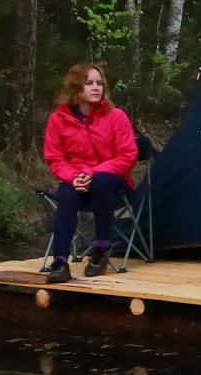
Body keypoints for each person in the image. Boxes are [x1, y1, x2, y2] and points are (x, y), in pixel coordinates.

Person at [43, 63, 139, 283]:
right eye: (89, 83)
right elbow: (55, 158)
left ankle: (101, 248)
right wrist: (74, 178)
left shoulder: (116, 116)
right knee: (66, 193)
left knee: (101, 180)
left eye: (99, 83)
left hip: (115, 185)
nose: (96, 88)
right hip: (78, 183)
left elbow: (128, 156)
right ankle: (60, 262)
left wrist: (91, 172)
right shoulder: (57, 120)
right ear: (75, 88)